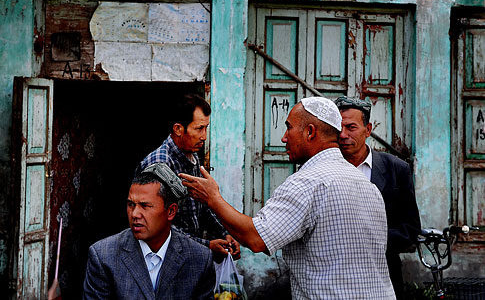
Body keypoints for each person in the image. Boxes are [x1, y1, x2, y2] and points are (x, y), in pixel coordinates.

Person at [180, 97, 396, 299]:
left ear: (310, 132)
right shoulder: (366, 185)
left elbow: (256, 239)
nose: (284, 137)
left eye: (289, 128)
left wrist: (213, 198)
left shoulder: (308, 182)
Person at [83, 163, 215, 299]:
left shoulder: (199, 259)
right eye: (131, 205)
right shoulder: (104, 256)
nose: (135, 214)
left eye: (145, 206)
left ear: (171, 211)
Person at [335, 96, 421, 299]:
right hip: (334, 277)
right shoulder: (325, 169)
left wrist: (369, 240)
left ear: (368, 129)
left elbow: (410, 228)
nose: (343, 135)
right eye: (338, 128)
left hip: (382, 274)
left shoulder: (396, 169)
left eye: (351, 127)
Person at [137, 93, 240, 261]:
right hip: (162, 260)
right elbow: (158, 225)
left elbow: (203, 205)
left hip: (187, 256)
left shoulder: (192, 157)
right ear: (178, 129)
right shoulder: (160, 164)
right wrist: (206, 246)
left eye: (206, 128)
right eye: (199, 128)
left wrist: (224, 233)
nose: (204, 136)